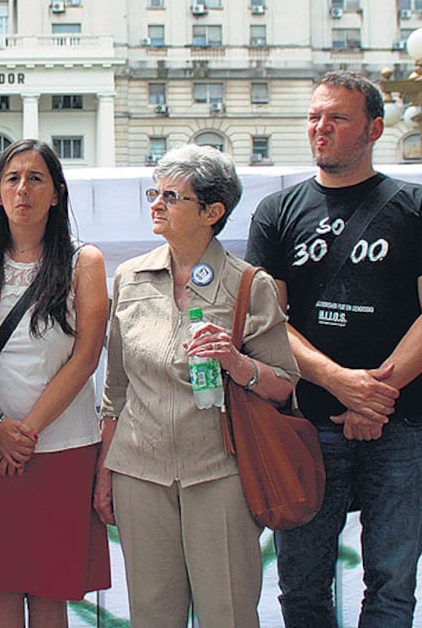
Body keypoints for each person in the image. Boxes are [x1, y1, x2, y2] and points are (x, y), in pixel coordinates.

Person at [245, 70, 422, 628]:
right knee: (302, 587)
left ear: (375, 129)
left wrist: (375, 394)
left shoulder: (419, 206)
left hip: (404, 424)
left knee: (391, 585)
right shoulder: (277, 212)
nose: (321, 128)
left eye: (338, 118)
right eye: (315, 117)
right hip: (308, 424)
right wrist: (340, 383)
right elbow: (268, 321)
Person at [94, 144, 299, 628]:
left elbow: (283, 384)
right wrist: (105, 473)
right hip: (139, 473)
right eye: (154, 192)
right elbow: (115, 390)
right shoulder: (130, 276)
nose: (156, 204)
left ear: (213, 211)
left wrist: (233, 360)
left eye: (172, 195)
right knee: (151, 615)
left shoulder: (250, 282)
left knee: (227, 612)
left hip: (220, 471)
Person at [0, 139, 111, 627]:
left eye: (36, 178)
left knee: (50, 588)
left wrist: (26, 433)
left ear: (56, 193)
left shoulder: (85, 261)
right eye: (12, 178)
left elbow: (86, 356)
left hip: (61, 447)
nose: (23, 188)